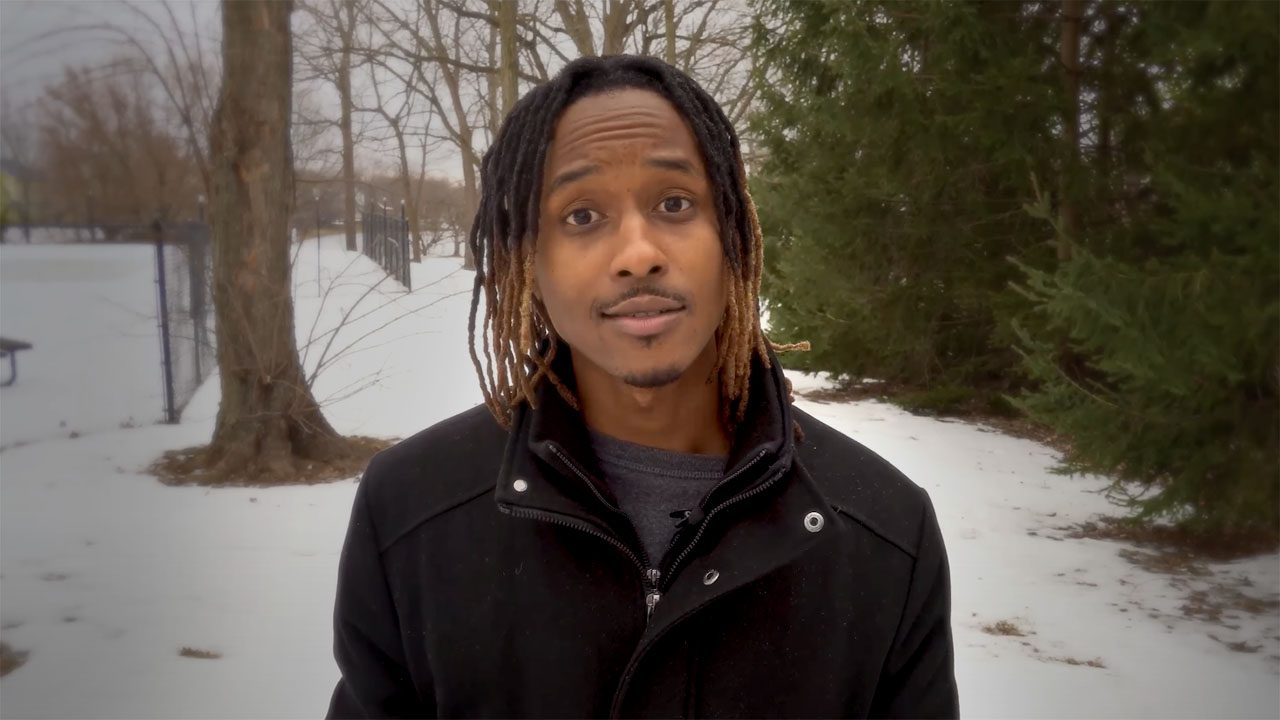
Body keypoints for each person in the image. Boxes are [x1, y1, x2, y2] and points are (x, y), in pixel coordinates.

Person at [327, 54, 958, 719]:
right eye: (580, 217)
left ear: (735, 236)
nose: (637, 253)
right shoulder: (410, 514)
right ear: (528, 262)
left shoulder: (884, 535)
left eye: (675, 203)